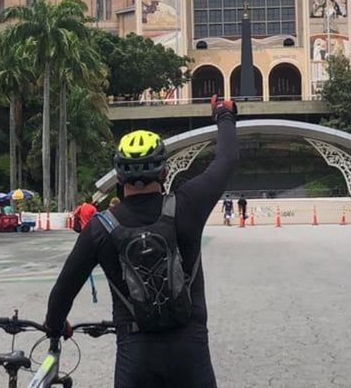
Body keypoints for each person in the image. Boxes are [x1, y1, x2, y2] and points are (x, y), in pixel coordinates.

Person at [44, 95, 238, 387]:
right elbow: (226, 159)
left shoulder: (100, 227)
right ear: (163, 171)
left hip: (135, 354)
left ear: (119, 175)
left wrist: (56, 327)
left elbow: (63, 291)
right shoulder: (187, 205)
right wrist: (224, 114)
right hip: (190, 348)